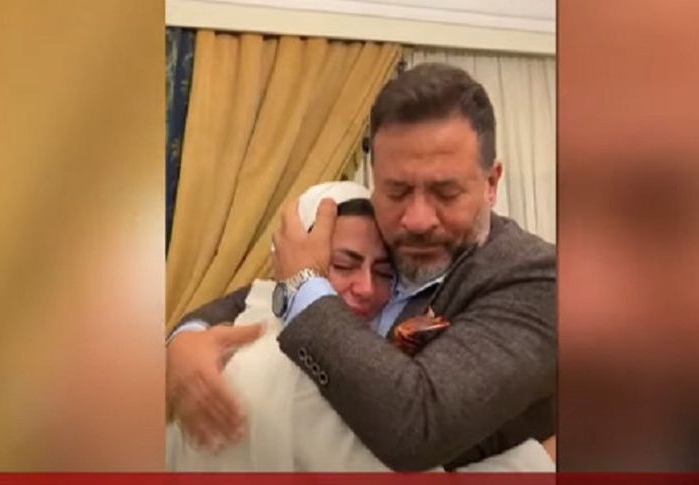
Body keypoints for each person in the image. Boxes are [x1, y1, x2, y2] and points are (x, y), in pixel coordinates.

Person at [166, 63, 556, 471]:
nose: (417, 220)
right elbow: (254, 297)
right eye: (396, 191)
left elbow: (416, 427)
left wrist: (304, 282)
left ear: (491, 184)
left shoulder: (536, 277)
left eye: (445, 192)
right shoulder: (380, 237)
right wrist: (184, 340)